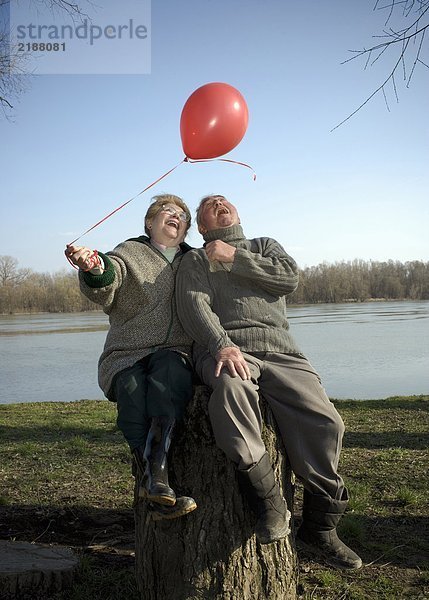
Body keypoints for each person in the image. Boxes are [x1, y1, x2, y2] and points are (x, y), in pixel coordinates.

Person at [176, 194, 362, 569]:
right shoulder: (195, 259)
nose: (219, 205)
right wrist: (221, 345)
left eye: (223, 201)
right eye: (209, 206)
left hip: (282, 351)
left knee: (327, 422)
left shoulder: (264, 246)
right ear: (201, 226)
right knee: (231, 391)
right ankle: (271, 505)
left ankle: (321, 528)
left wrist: (233, 256)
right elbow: (193, 306)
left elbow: (287, 279)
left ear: (237, 212)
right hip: (227, 348)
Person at [65, 194, 197, 521]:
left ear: (185, 230)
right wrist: (93, 266)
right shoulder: (130, 252)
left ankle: (156, 480)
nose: (175, 216)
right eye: (167, 211)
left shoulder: (194, 260)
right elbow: (108, 277)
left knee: (169, 380)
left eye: (182, 215)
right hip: (127, 351)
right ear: (149, 223)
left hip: (175, 349)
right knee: (133, 394)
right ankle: (157, 482)